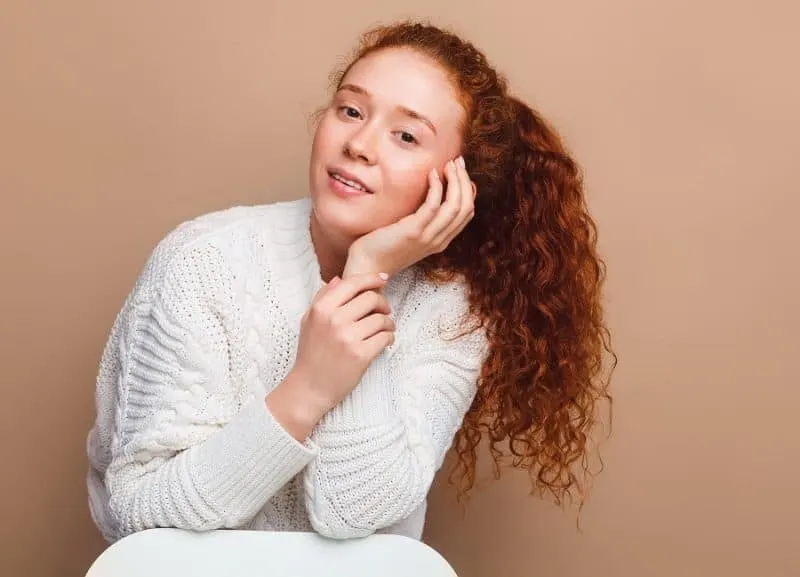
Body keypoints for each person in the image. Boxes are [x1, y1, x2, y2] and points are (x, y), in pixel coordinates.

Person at [86, 19, 614, 544]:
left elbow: (356, 514)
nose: (360, 143)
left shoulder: (453, 310)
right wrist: (309, 387)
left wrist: (364, 275)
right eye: (351, 110)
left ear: (456, 182)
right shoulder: (202, 262)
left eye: (406, 136)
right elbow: (139, 512)